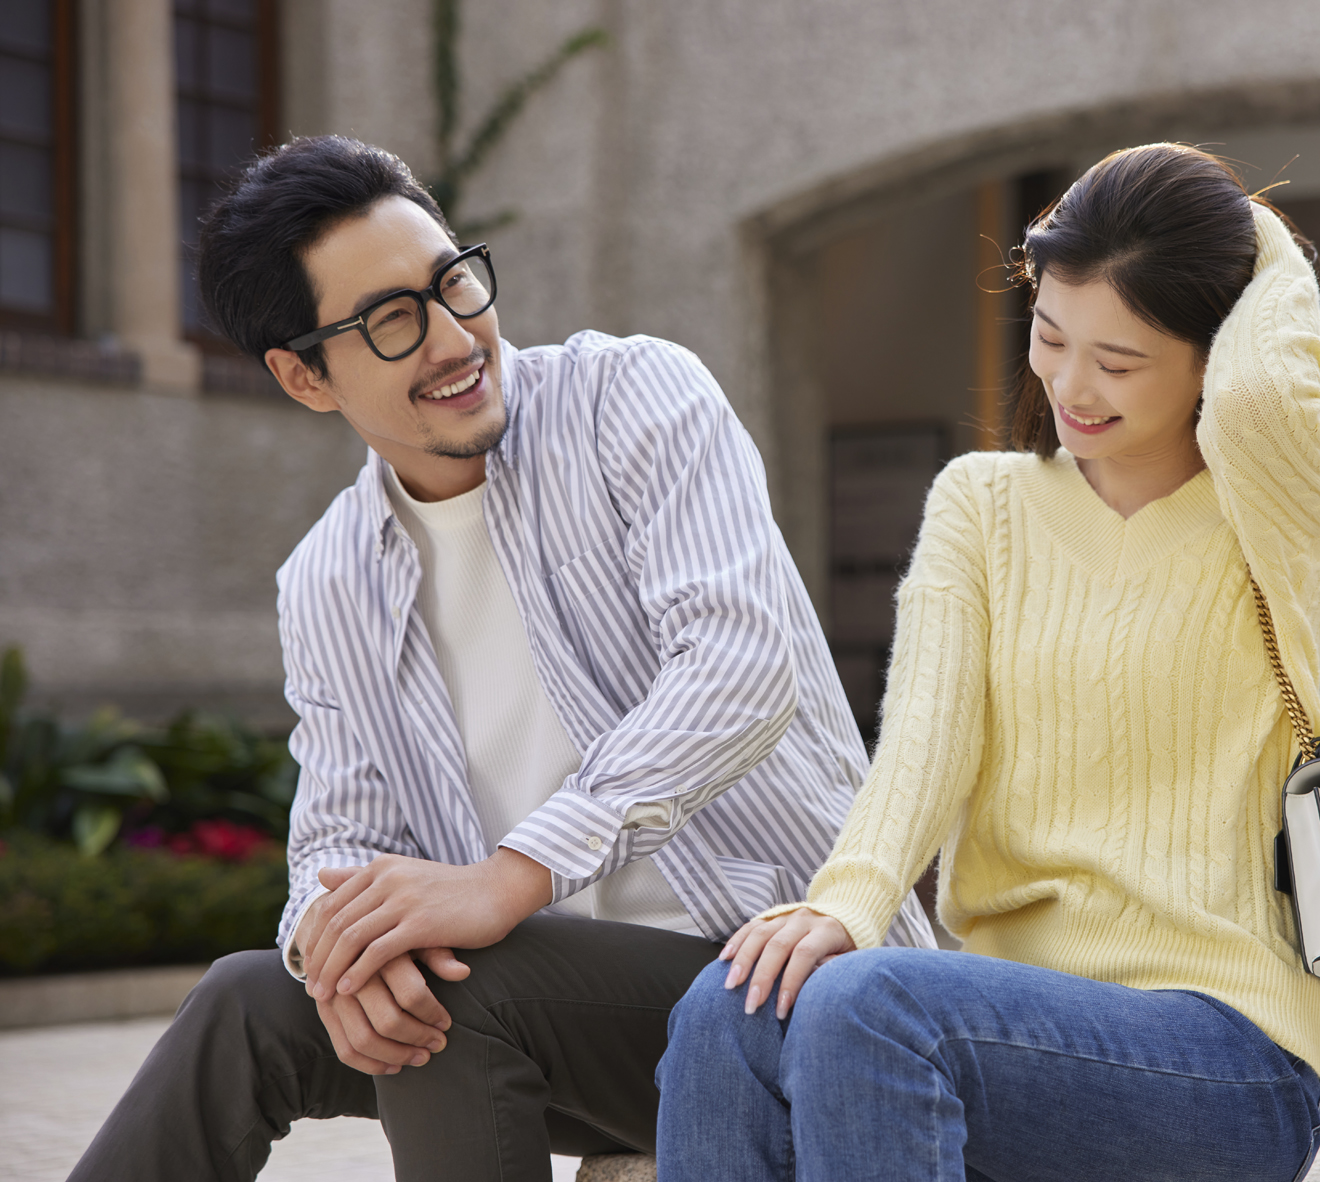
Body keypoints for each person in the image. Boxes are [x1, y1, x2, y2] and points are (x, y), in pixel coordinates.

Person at [70, 135, 934, 1182]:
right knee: (246, 1002)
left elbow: (737, 665)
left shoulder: (634, 399)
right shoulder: (329, 577)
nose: (451, 337)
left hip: (779, 986)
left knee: (466, 983)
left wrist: (511, 878)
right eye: (390, 321)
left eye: (452, 282)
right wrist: (333, 954)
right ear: (304, 377)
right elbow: (339, 836)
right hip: (563, 1017)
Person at [655, 142, 1320, 1182]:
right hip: (1002, 1029)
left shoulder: (1296, 502)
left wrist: (1247, 232)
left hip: (1219, 1053)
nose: (1069, 384)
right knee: (731, 1003)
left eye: (1120, 359)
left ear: (1218, 348)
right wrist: (847, 900)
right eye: (1050, 337)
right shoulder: (982, 503)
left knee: (873, 1006)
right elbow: (925, 731)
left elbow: (1261, 400)